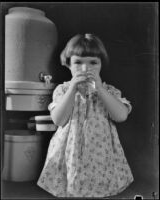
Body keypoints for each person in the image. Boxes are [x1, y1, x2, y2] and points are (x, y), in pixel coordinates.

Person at [37, 33, 134, 197]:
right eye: (78, 62)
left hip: (101, 151)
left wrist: (100, 90)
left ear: (101, 64)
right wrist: (72, 89)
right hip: (70, 150)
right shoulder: (62, 90)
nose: (85, 68)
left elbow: (121, 116)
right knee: (73, 184)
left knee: (100, 183)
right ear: (68, 65)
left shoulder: (109, 91)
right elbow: (59, 120)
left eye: (93, 62)